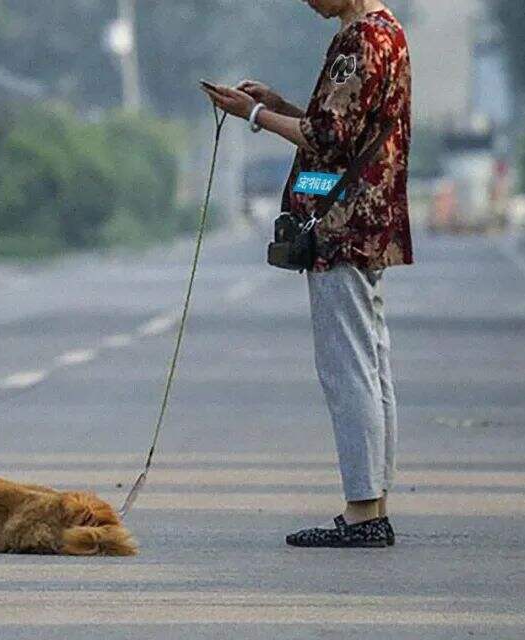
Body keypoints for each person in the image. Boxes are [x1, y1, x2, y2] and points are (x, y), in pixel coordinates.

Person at [202, 0, 412, 548]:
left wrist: (250, 115)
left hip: (341, 225)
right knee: (370, 364)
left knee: (349, 370)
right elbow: (341, 127)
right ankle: (374, 504)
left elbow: (329, 140)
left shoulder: (358, 41)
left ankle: (364, 512)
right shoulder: (388, 33)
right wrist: (277, 104)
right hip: (369, 218)